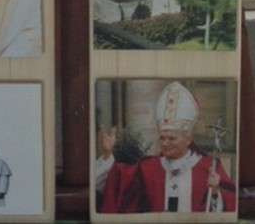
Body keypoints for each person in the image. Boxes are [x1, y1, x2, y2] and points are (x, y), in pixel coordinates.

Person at [96, 81, 236, 213]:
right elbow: (118, 185)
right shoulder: (147, 168)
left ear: (188, 139)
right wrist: (107, 154)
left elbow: (229, 206)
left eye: (171, 138)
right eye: (162, 138)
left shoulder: (208, 167)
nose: (165, 143)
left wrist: (216, 191)